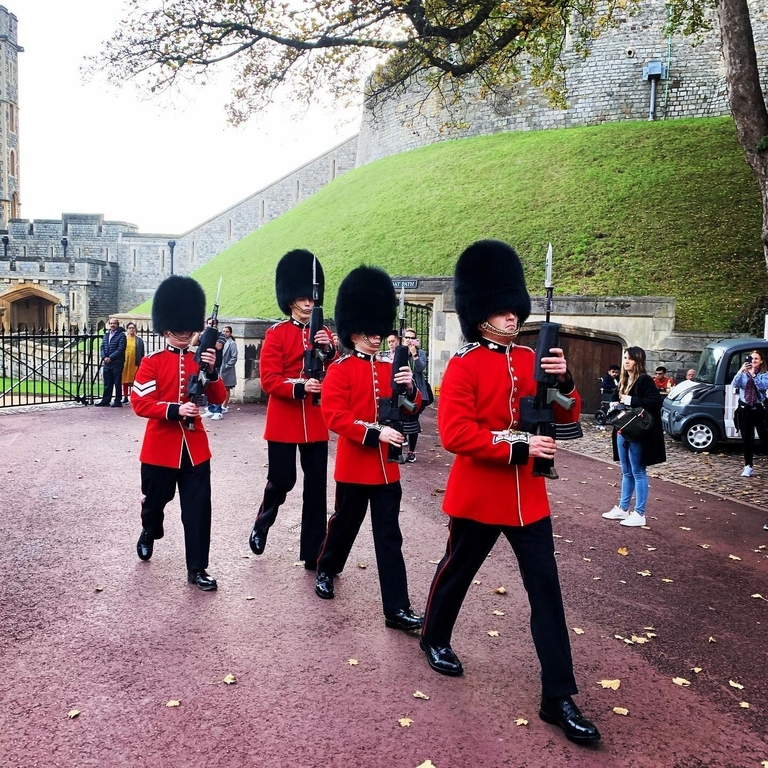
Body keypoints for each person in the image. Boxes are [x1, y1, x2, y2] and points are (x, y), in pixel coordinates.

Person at [419, 240, 599, 745]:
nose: (512, 316)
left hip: (529, 500)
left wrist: (565, 382)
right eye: (502, 309)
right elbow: (456, 434)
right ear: (480, 315)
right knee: (456, 572)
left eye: (514, 308)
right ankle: (434, 637)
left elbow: (565, 415)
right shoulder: (465, 364)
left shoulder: (530, 357)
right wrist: (519, 445)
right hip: (480, 495)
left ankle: (557, 696)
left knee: (547, 593)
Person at [314, 265, 423, 633]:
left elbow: (413, 407)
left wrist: (410, 388)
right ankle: (326, 567)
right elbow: (335, 417)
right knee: (344, 525)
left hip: (387, 469)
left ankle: (397, 608)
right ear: (353, 333)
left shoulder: (392, 367)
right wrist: (376, 433)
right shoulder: (341, 369)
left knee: (389, 537)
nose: (376, 338)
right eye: (368, 332)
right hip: (355, 466)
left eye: (378, 332)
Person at [131, 275, 226, 591]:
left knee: (198, 510)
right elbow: (141, 402)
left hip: (195, 449)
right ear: (166, 328)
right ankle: (150, 529)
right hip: (160, 448)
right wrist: (175, 410)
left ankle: (197, 568)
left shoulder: (201, 360)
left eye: (189, 327)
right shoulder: (152, 362)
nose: (185, 333)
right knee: (155, 502)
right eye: (179, 327)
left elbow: (219, 397)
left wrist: (212, 371)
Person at [248, 249, 336, 569]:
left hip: (314, 419)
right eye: (302, 298)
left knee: (316, 488)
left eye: (311, 298)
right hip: (284, 419)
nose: (309, 303)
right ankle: (263, 521)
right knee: (282, 480)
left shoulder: (324, 333)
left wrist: (328, 351)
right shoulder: (277, 334)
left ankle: (313, 551)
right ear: (290, 300)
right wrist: (299, 387)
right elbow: (269, 380)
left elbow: (335, 372)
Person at [602, 346, 665, 528]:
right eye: (625, 358)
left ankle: (639, 513)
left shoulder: (644, 379)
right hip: (623, 429)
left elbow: (656, 401)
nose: (626, 361)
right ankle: (623, 508)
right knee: (626, 471)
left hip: (637, 431)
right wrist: (614, 403)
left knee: (638, 471)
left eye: (630, 358)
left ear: (638, 361)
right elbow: (615, 397)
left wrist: (631, 400)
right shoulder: (624, 379)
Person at [731, 350, 768, 478]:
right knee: (747, 439)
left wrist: (753, 376)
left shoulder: (764, 374)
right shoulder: (743, 373)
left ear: (761, 361)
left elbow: (763, 386)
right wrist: (740, 371)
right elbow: (735, 384)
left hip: (758, 409)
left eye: (756, 359)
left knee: (764, 437)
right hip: (744, 408)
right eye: (751, 358)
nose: (753, 361)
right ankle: (748, 466)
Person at [401, 327, 428, 463]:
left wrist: (414, 355)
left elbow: (420, 368)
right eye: (407, 338)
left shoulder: (421, 353)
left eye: (412, 338)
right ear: (403, 339)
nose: (409, 340)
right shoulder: (400, 352)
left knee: (412, 422)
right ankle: (398, 449)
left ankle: (411, 452)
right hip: (402, 392)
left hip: (417, 393)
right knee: (399, 420)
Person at [197, 318, 226, 420]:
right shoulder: (205, 333)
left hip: (215, 363)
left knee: (215, 387)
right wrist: (199, 332)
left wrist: (210, 337)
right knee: (206, 387)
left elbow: (218, 346)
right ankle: (210, 409)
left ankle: (218, 411)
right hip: (203, 362)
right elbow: (194, 343)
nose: (211, 325)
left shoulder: (220, 334)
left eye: (213, 324)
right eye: (209, 323)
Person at [94, 317, 126, 407]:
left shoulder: (122, 335)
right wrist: (104, 357)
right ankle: (106, 400)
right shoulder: (106, 335)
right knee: (107, 382)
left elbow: (121, 349)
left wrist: (110, 357)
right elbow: (102, 347)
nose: (112, 325)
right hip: (107, 362)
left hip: (117, 362)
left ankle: (118, 400)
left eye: (114, 323)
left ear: (117, 325)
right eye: (111, 323)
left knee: (117, 382)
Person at [121, 322, 145, 403]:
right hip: (125, 362)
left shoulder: (139, 340)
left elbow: (142, 353)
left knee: (134, 380)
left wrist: (140, 363)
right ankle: (125, 396)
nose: (131, 329)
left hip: (135, 362)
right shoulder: (124, 339)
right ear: (127, 330)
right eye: (130, 328)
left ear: (135, 329)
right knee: (124, 380)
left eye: (133, 328)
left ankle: (133, 396)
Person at [220, 325, 238, 413]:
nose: (225, 333)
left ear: (230, 333)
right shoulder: (220, 342)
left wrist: (227, 365)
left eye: (227, 332)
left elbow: (234, 357)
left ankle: (224, 405)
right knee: (219, 387)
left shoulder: (232, 343)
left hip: (227, 369)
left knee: (226, 387)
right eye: (223, 331)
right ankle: (218, 404)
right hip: (219, 367)